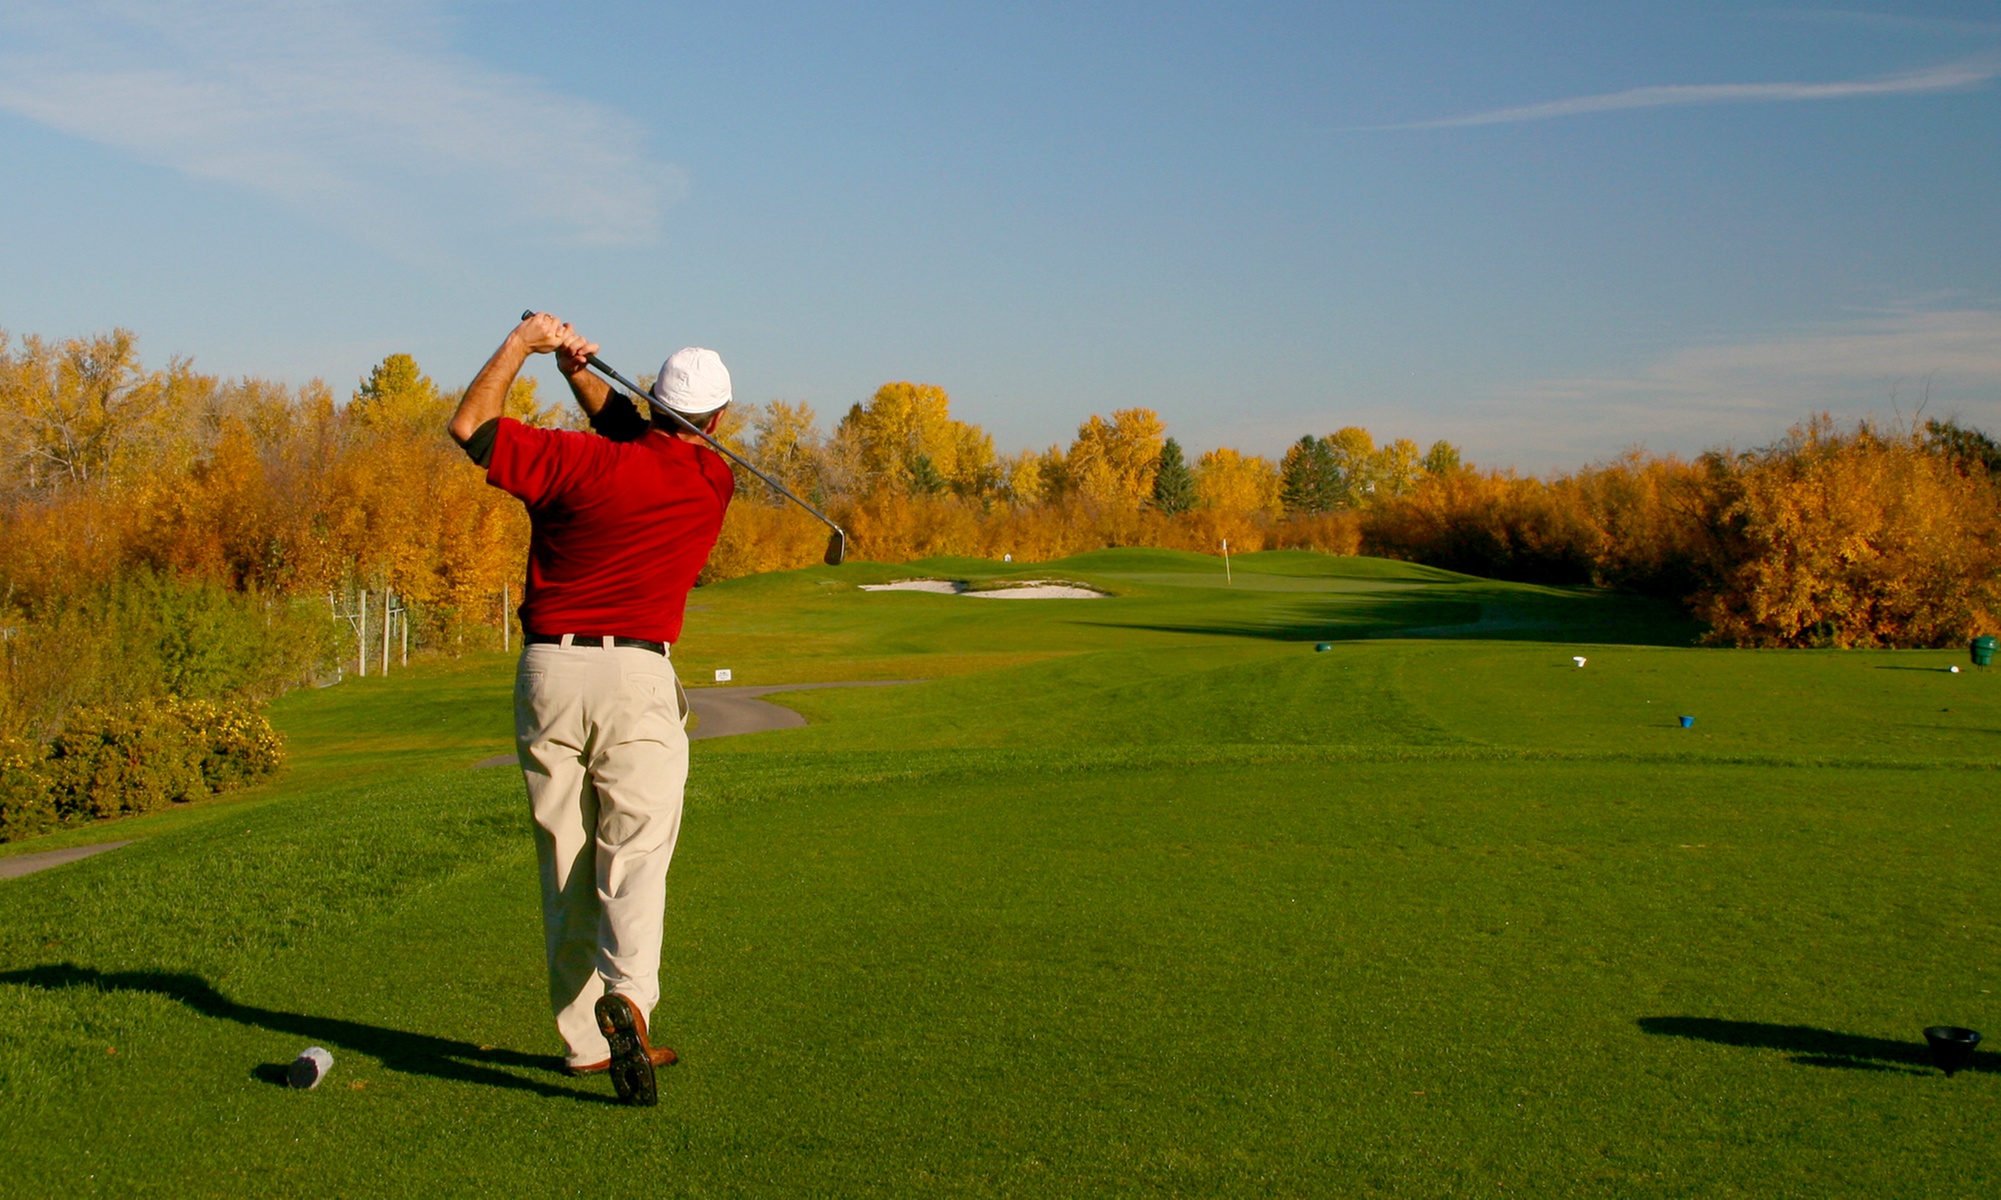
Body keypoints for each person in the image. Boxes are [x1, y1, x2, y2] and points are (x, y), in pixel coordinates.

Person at [447, 311, 736, 1106]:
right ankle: (630, 1006)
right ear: (718, 421)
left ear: (650, 397)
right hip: (638, 678)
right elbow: (644, 437)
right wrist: (578, 374)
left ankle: (583, 1042)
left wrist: (526, 348)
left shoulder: (570, 462)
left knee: (565, 859)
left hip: (548, 672)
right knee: (634, 857)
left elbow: (470, 425)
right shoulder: (714, 480)